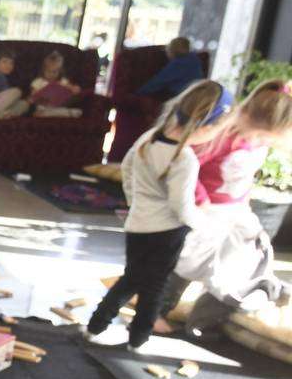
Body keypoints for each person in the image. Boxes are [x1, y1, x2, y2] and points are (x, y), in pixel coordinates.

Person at [83, 80, 231, 352]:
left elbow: (127, 169)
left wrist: (136, 201)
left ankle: (96, 326)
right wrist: (207, 226)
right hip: (166, 234)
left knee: (132, 278)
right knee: (153, 287)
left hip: (137, 225)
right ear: (206, 126)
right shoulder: (183, 159)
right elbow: (182, 207)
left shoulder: (149, 138)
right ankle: (138, 339)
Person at [159, 80, 292, 336]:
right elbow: (185, 168)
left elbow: (242, 180)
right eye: (259, 135)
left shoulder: (257, 141)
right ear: (246, 117)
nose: (258, 140)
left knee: (239, 265)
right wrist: (200, 200)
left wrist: (243, 207)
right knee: (185, 262)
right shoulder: (220, 138)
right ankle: (156, 311)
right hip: (205, 211)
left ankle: (204, 321)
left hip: (235, 213)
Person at [136, 36, 204, 101]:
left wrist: (138, 93)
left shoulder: (178, 64)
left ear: (171, 50)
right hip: (198, 94)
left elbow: (159, 81)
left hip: (183, 96)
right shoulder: (194, 59)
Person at [28, 51, 83, 118]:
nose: (51, 74)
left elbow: (73, 89)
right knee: (41, 110)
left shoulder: (62, 81)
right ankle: (68, 112)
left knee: (55, 109)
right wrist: (35, 96)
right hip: (42, 106)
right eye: (48, 71)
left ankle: (64, 112)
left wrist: (75, 89)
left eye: (54, 72)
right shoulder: (38, 81)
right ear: (43, 70)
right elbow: (33, 95)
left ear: (59, 71)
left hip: (58, 104)